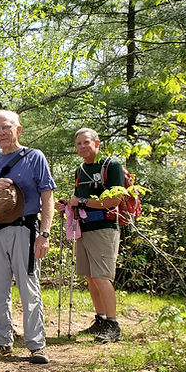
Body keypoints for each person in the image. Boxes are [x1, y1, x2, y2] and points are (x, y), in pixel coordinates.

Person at [0, 109, 55, 364]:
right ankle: (2, 340)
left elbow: (47, 196)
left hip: (25, 229)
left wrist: (45, 234)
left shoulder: (34, 157)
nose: (1, 133)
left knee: (28, 287)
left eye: (6, 127)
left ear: (18, 129)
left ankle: (36, 345)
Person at [55, 128, 125, 343]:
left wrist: (83, 202)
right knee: (90, 276)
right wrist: (67, 204)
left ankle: (113, 325)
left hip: (104, 227)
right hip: (83, 227)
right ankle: (101, 319)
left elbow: (116, 199)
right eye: (79, 144)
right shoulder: (80, 169)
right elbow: (79, 197)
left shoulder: (111, 165)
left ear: (97, 143)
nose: (83, 147)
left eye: (86, 142)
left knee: (102, 276)